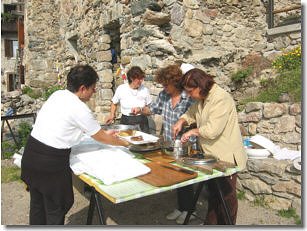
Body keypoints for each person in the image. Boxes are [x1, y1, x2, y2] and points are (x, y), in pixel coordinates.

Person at [21, 64, 129, 225]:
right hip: (49, 164)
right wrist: (124, 143)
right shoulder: (80, 108)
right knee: (55, 208)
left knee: (37, 205)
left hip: (31, 155)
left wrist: (104, 134)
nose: (94, 92)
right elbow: (100, 137)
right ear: (83, 88)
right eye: (93, 88)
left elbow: (64, 125)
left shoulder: (58, 95)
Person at [172, 68, 247, 225]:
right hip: (212, 156)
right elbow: (192, 113)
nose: (188, 95)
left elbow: (213, 130)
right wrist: (182, 120)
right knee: (213, 195)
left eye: (190, 91)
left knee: (226, 198)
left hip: (226, 157)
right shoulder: (202, 98)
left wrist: (193, 131)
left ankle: (227, 225)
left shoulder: (221, 98)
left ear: (200, 86)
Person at [131, 64, 195, 224]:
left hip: (187, 144)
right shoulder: (164, 96)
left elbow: (196, 118)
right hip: (169, 144)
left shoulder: (189, 97)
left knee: (186, 177)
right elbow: (153, 109)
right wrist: (140, 109)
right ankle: (182, 208)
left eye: (166, 85)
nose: (164, 88)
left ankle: (190, 211)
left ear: (176, 82)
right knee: (176, 175)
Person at [105, 66, 152, 133]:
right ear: (131, 78)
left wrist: (141, 110)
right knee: (125, 142)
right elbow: (114, 103)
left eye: (142, 78)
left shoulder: (145, 90)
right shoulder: (121, 89)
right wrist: (112, 115)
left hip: (142, 122)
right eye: (139, 78)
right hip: (126, 121)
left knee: (143, 143)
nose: (141, 80)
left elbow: (150, 110)